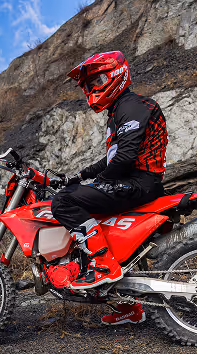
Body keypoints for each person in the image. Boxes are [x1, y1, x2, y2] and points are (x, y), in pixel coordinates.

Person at [49, 51, 168, 325]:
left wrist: (98, 182)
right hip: (137, 182)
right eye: (89, 85)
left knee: (63, 203)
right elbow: (112, 158)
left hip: (138, 183)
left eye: (98, 80)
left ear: (118, 74)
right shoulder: (120, 110)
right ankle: (130, 307)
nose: (93, 88)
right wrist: (79, 176)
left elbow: (124, 159)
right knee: (98, 218)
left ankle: (102, 264)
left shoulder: (133, 105)